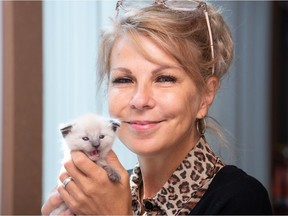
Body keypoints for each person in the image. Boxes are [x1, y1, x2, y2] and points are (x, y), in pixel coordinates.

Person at [42, 0, 273, 215]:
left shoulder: (241, 200)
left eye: (165, 79)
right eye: (124, 80)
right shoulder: (101, 192)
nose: (140, 100)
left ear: (205, 95)